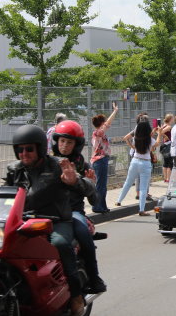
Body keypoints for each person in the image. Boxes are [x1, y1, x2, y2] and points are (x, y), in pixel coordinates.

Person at [5, 125, 89, 315]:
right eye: (20, 149)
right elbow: (4, 195)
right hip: (23, 222)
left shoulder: (58, 165)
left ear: (40, 148)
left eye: (29, 149)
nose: (24, 153)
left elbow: (89, 189)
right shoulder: (14, 170)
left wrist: (74, 181)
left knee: (60, 243)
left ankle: (75, 295)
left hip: (55, 221)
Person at [52, 120, 107, 294]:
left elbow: (94, 201)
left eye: (69, 142)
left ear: (76, 145)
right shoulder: (47, 162)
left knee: (83, 232)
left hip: (73, 213)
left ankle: (94, 276)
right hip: (49, 212)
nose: (64, 146)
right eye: (61, 141)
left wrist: (90, 184)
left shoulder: (83, 166)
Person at [115, 122, 161, 216]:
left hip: (135, 161)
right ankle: (141, 210)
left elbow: (138, 139)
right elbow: (156, 143)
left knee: (128, 182)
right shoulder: (149, 139)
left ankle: (118, 201)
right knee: (143, 188)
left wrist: (153, 132)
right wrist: (159, 133)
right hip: (145, 163)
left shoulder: (136, 138)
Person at [90, 102, 118, 213]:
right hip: (100, 160)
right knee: (100, 185)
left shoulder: (99, 133)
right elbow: (108, 124)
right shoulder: (98, 132)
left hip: (102, 160)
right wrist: (115, 111)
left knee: (102, 185)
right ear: (101, 123)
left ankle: (102, 206)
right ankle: (97, 206)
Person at [124, 112, 153, 200]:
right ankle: (145, 194)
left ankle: (138, 194)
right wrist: (133, 146)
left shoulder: (137, 129)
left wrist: (132, 147)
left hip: (135, 154)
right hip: (141, 154)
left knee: (138, 176)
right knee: (145, 175)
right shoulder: (143, 129)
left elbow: (126, 138)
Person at [160, 114, 174, 183]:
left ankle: (165, 178)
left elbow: (159, 131)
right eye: (172, 118)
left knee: (165, 162)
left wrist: (163, 135)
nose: (173, 120)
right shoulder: (168, 126)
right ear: (170, 119)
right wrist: (165, 136)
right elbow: (161, 132)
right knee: (169, 163)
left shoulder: (163, 125)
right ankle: (168, 179)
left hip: (164, 145)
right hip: (168, 145)